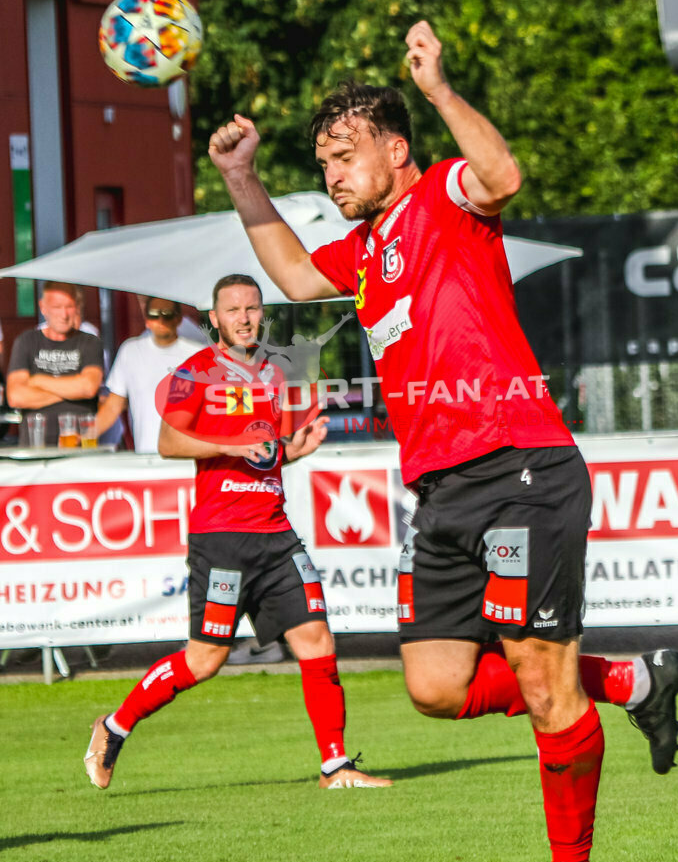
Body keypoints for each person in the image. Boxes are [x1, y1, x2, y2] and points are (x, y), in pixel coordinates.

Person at [208, 21, 678, 862]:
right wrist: (242, 179)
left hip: (520, 469)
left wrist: (438, 89)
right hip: (442, 493)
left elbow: (503, 175)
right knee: (435, 686)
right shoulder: (362, 255)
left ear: (396, 150)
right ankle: (627, 679)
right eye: (323, 165)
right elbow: (289, 276)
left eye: (345, 156)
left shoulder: (442, 198)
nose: (333, 176)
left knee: (543, 687)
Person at [84, 274, 391, 792]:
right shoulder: (195, 371)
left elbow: (266, 452)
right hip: (222, 536)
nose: (245, 318)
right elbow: (169, 442)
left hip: (276, 532)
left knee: (317, 639)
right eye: (234, 310)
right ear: (215, 319)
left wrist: (295, 449)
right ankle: (113, 728)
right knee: (205, 660)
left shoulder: (273, 373)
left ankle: (335, 766)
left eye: (252, 308)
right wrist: (231, 447)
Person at [95, 296, 205, 453]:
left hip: (190, 457)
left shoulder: (199, 354)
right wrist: (82, 437)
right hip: (147, 458)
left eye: (167, 314)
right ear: (146, 320)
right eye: (154, 315)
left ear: (179, 319)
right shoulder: (130, 351)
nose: (161, 320)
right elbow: (113, 406)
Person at [7, 281, 103, 446]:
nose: (64, 314)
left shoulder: (90, 342)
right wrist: (72, 390)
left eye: (69, 306)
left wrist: (37, 381)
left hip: (80, 446)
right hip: (35, 447)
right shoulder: (26, 341)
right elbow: (16, 397)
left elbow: (89, 387)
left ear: (78, 307)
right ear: (43, 307)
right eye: (57, 307)